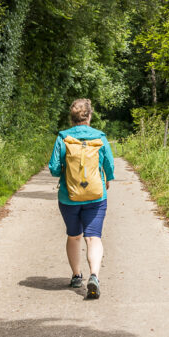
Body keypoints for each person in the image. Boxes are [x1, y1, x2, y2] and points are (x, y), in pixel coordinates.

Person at [48, 98, 115, 299]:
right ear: (89, 116)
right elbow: (109, 166)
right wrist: (107, 179)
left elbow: (53, 168)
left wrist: (66, 173)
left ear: (72, 117)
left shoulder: (63, 138)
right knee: (93, 237)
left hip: (69, 197)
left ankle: (77, 276)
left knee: (74, 235)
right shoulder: (100, 137)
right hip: (96, 196)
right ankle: (94, 275)